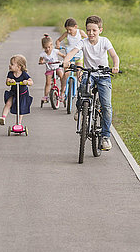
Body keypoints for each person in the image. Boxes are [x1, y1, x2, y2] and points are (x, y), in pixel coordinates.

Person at [63, 15, 120, 151]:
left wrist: (116, 65)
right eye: (88, 30)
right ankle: (80, 108)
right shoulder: (83, 42)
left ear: (100, 30)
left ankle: (105, 137)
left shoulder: (105, 41)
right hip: (89, 73)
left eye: (94, 30)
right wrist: (66, 60)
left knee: (106, 106)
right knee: (82, 90)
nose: (91, 33)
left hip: (104, 75)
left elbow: (114, 55)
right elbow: (73, 52)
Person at [0, 55, 33, 125]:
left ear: (19, 67)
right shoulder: (10, 74)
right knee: (8, 103)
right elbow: (7, 82)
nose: (10, 65)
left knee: (20, 109)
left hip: (23, 94)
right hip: (14, 93)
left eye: (12, 64)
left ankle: (18, 123)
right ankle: (3, 117)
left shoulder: (24, 74)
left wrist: (27, 82)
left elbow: (31, 82)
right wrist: (10, 81)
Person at [39, 34, 66, 102]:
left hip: (57, 67)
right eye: (45, 48)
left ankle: (62, 92)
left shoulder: (55, 51)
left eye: (49, 47)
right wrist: (41, 62)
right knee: (48, 82)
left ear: (51, 45)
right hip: (49, 69)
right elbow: (41, 60)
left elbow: (63, 56)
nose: (47, 49)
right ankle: (46, 96)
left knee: (62, 76)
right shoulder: (43, 54)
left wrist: (65, 60)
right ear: (43, 47)